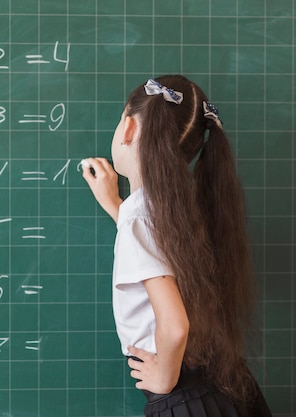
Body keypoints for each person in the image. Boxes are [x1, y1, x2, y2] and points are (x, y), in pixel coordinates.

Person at [81, 75, 273, 417]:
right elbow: (157, 250)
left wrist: (163, 380)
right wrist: (116, 207)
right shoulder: (183, 208)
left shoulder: (141, 219)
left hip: (185, 397)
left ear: (128, 128)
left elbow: (174, 325)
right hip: (226, 386)